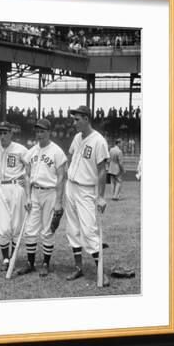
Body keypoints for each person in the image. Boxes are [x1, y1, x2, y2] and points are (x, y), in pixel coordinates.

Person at [65, 105, 110, 286]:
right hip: (71, 186)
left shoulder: (99, 141)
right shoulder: (77, 137)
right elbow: (71, 157)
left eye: (77, 119)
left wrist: (100, 196)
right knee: (72, 229)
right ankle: (78, 268)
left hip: (86, 190)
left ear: (86, 118)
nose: (74, 122)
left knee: (89, 231)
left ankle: (101, 271)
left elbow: (102, 171)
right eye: (73, 119)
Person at [18, 119, 67, 277]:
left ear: (49, 132)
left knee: (47, 230)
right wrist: (27, 196)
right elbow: (26, 175)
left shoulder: (57, 151)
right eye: (37, 131)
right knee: (30, 230)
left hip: (50, 192)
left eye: (42, 131)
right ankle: (30, 263)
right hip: (35, 192)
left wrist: (59, 201)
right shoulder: (31, 151)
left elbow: (61, 178)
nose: (39, 134)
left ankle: (46, 263)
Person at [0, 122, 30, 271]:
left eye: (5, 132)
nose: (2, 136)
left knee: (16, 225)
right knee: (3, 228)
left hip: (16, 187)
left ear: (11, 133)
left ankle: (13, 257)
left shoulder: (21, 149)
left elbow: (31, 167)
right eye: (0, 133)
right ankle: (5, 258)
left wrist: (27, 177)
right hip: (0, 187)